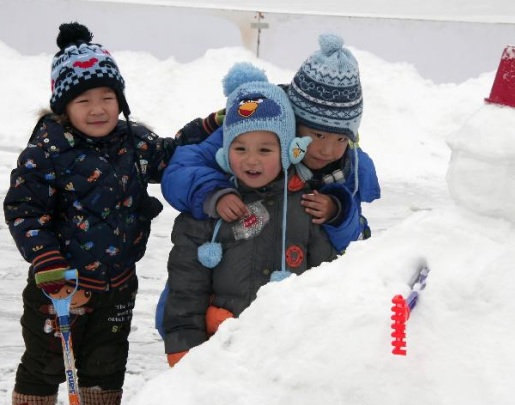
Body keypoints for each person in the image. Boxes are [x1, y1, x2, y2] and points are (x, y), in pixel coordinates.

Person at [3, 22, 209, 405]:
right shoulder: (46, 152)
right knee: (43, 368)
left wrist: (211, 126)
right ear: (64, 106)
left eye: (107, 97)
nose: (98, 109)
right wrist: (46, 259)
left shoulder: (136, 144)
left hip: (117, 287)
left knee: (105, 368)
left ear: (121, 100)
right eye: (83, 101)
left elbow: (174, 154)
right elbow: (24, 210)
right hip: (60, 288)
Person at [162, 62, 337, 367]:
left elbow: (328, 277)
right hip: (221, 345)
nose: (251, 160)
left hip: (285, 349)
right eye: (240, 149)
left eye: (266, 151)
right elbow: (186, 284)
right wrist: (184, 344)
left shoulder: (305, 202)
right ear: (225, 152)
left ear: (287, 152)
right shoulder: (209, 205)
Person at [162, 33, 380, 252]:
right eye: (318, 135)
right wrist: (213, 193)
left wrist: (338, 212)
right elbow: (181, 171)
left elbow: (356, 243)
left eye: (341, 138)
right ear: (294, 123)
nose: (327, 150)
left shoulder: (350, 168)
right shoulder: (254, 133)